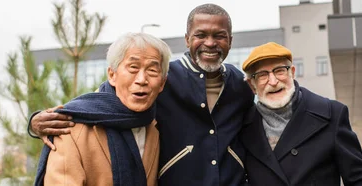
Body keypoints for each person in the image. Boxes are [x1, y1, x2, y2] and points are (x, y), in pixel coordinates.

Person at [28, 4, 253, 186]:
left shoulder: (240, 84)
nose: (210, 43)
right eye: (201, 35)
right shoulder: (164, 77)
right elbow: (102, 102)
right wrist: (36, 121)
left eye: (220, 36)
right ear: (187, 39)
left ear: (230, 41)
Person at [34, 32, 171, 186]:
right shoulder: (69, 127)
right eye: (133, 68)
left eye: (152, 70)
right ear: (112, 75)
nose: (141, 80)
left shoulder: (158, 124)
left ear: (162, 83)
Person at [239, 42, 362, 186]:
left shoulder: (331, 115)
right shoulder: (242, 127)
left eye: (280, 71)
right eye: (262, 75)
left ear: (292, 73)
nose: (273, 81)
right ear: (252, 85)